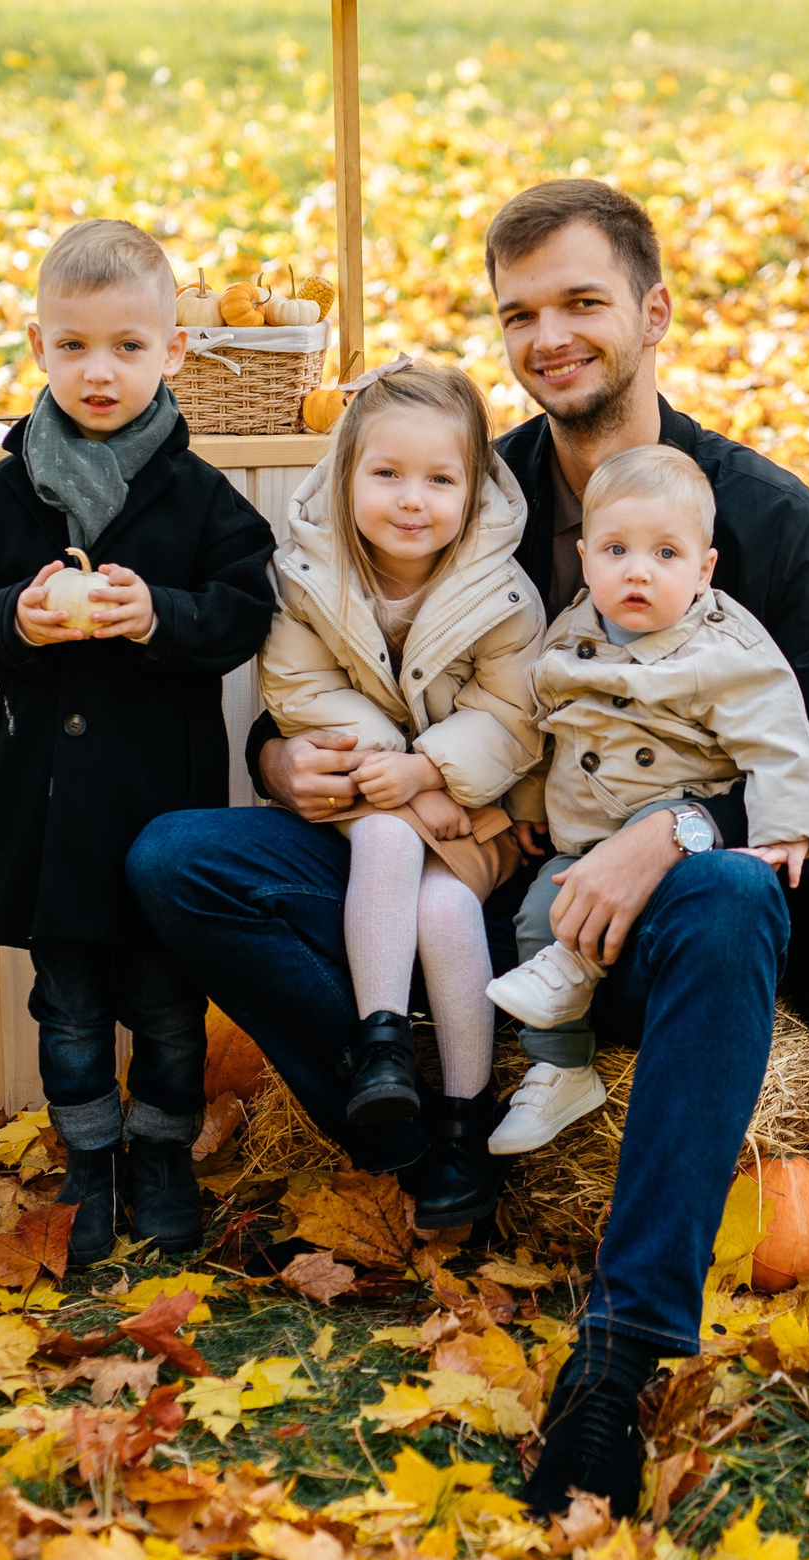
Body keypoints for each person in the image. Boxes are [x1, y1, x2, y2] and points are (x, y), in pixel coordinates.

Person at [128, 180, 809, 1517]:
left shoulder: (769, 526)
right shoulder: (460, 494)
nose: (550, 336)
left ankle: (620, 1354)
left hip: (659, 910)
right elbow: (339, 647)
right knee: (180, 858)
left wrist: (676, 830)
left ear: (653, 312)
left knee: (726, 897)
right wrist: (278, 756)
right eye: (520, 313)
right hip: (458, 864)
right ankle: (430, 1147)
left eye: (581, 303)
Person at [0, 218, 276, 1269]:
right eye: (74, 346)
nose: (99, 370)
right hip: (46, 805)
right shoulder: (5, 492)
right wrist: (16, 623)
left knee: (167, 1007)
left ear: (171, 352)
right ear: (40, 350)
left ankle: (160, 1155)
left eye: (127, 346)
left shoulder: (200, 497)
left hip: (158, 802)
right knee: (67, 1001)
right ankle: (89, 1164)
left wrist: (157, 612)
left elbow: (244, 611)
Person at [487, 443, 809, 1156]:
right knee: (535, 908)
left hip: (669, 829)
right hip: (584, 843)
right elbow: (542, 727)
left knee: (654, 824)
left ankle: (567, 970)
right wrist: (525, 803)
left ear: (704, 569)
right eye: (616, 549)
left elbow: (781, 736)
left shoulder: (724, 647)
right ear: (585, 560)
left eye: (666, 554)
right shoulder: (571, 631)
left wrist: (788, 827)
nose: (638, 570)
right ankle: (560, 1064)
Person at [258, 356, 544, 1152]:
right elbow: (297, 687)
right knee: (384, 832)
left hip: (472, 811)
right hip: (370, 791)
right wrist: (403, 780)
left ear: (474, 489)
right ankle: (381, 1045)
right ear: (346, 474)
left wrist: (430, 770)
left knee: (448, 907)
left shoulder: (503, 593)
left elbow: (515, 715)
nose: (412, 500)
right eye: (386, 473)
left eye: (439, 480)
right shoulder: (308, 576)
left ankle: (465, 1116)